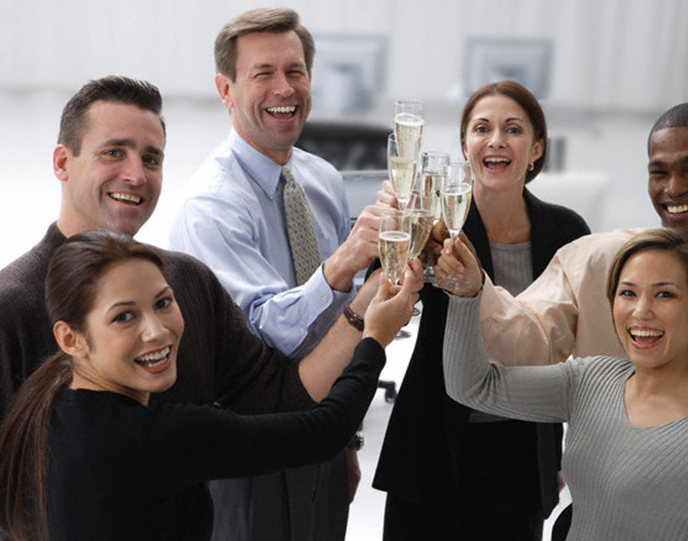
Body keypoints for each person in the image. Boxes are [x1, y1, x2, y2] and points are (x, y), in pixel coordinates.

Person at [0, 75, 411, 534]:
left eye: (151, 157)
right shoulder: (9, 307)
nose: (135, 174)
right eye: (113, 152)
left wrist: (362, 310)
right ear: (62, 161)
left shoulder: (187, 281)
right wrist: (372, 331)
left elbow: (280, 398)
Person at [436, 102, 688, 540]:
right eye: (659, 172)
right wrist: (471, 291)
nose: (674, 188)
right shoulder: (596, 265)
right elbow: (512, 345)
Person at [0, 229, 417, 541]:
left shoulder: (49, 405)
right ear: (69, 338)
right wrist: (374, 338)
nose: (157, 331)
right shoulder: (157, 436)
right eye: (124, 317)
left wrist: (362, 307)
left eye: (164, 302)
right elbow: (325, 432)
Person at [168, 8, 389, 540]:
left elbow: (338, 317)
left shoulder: (322, 178)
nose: (283, 87)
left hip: (322, 437)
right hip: (250, 449)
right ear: (225, 89)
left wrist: (343, 437)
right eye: (262, 73)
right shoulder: (211, 207)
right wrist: (343, 267)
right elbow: (264, 334)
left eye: (295, 71)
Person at [443, 227, 688, 539]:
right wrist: (465, 294)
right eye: (627, 293)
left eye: (664, 294)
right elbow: (472, 387)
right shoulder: (589, 380)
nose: (641, 311)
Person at [371, 81, 590, 540]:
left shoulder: (567, 231)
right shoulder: (434, 224)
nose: (495, 140)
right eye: (481, 128)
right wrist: (397, 239)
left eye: (513, 129)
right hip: (433, 442)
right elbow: (386, 295)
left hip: (521, 449)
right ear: (465, 146)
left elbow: (577, 354)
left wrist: (562, 452)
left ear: (536, 149)